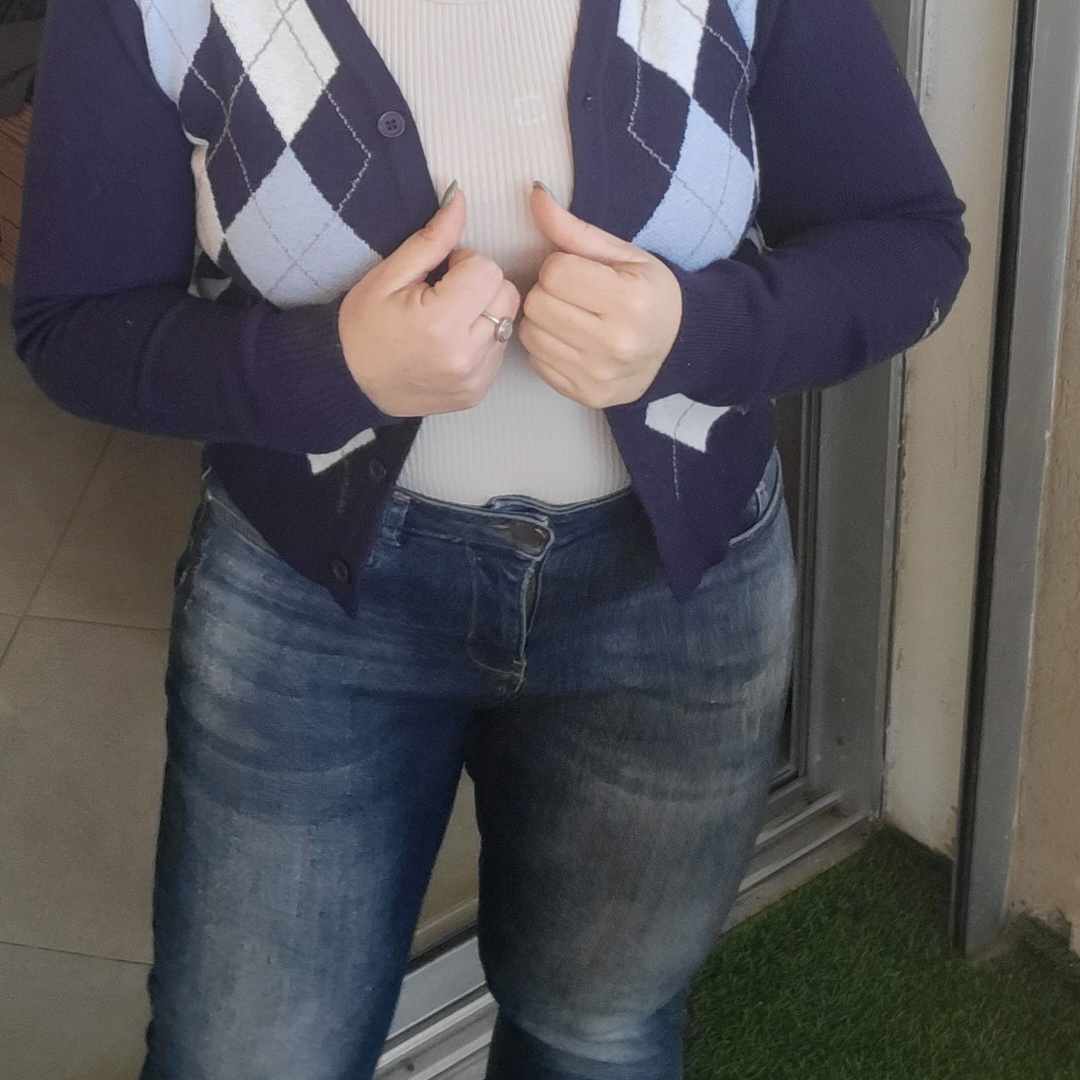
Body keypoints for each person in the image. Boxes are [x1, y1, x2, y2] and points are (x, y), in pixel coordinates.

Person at [12, 0, 969, 1076]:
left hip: (677, 606)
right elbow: (71, 325)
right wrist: (326, 369)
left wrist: (699, 332)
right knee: (248, 1056)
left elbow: (909, 239)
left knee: (597, 1030)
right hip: (306, 606)